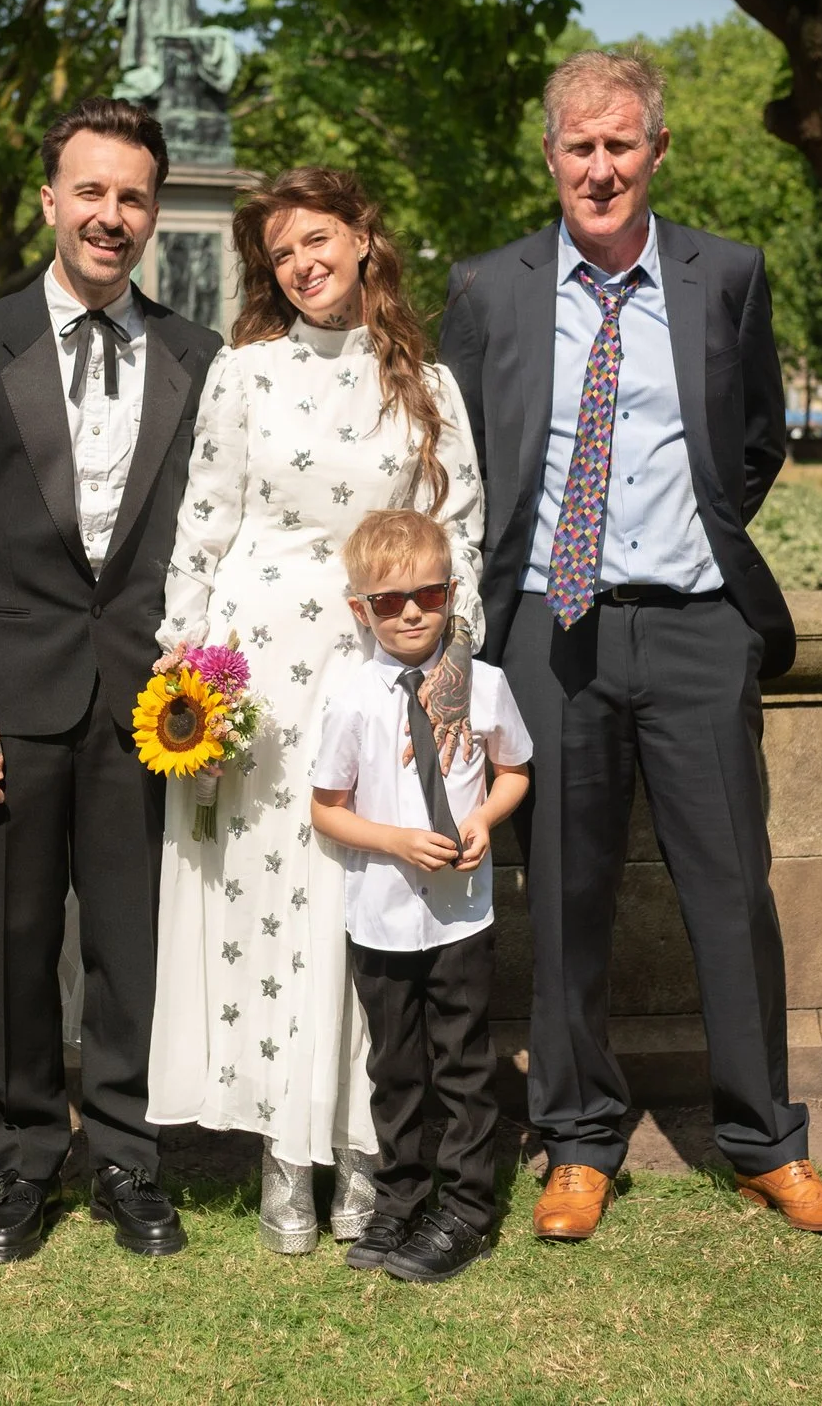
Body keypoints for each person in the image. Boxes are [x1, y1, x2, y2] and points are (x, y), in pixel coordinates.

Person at [438, 50, 822, 1240]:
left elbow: (757, 442)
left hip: (692, 625)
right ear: (550, 157)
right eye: (579, 146)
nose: (600, 166)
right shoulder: (489, 288)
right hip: (547, 632)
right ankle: (578, 1143)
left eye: (620, 144)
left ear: (656, 152)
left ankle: (765, 1144)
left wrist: (697, 553)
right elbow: (459, 462)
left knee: (730, 890)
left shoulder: (725, 274)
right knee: (563, 895)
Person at [147, 165, 486, 1254]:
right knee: (272, 915)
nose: (302, 263)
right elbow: (202, 529)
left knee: (370, 914)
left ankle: (366, 1148)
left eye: (318, 239)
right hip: (259, 679)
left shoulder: (425, 382)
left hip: (378, 667)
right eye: (281, 252)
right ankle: (281, 1157)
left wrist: (446, 679)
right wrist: (186, 682)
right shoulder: (241, 375)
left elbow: (459, 535)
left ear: (364, 241)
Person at [0, 97, 222, 1264]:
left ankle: (132, 1162)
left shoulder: (200, 358)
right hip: (4, 698)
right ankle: (21, 1160)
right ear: (50, 199)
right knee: (7, 941)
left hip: (150, 709)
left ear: (153, 212)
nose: (110, 214)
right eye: (89, 191)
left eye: (132, 196)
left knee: (135, 945)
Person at [311, 508, 531, 1284]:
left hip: (461, 915)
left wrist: (481, 818)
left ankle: (467, 1206)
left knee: (464, 1065)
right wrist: (397, 840)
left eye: (429, 596)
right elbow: (325, 806)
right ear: (359, 609)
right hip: (380, 916)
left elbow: (515, 772)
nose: (410, 613)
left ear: (452, 594)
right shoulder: (351, 698)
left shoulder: (486, 685)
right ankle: (401, 1198)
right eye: (389, 600)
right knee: (396, 1070)